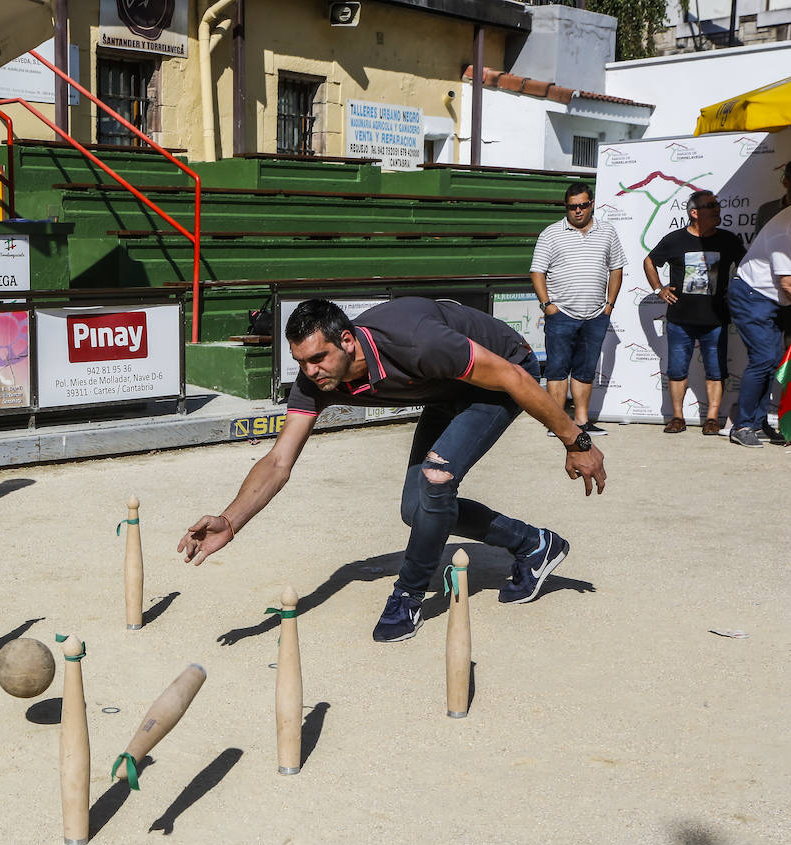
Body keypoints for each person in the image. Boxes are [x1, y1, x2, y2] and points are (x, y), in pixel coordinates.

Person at [177, 297, 607, 644]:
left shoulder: (413, 341)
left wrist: (577, 441)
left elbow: (512, 377)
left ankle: (408, 595)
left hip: (507, 371)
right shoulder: (316, 382)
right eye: (301, 362)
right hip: (447, 387)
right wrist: (230, 521)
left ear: (347, 341)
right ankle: (535, 544)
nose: (310, 372)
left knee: (436, 478)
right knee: (416, 508)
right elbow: (277, 461)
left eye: (318, 358)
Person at [642, 190, 746, 436]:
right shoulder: (675, 240)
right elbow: (649, 260)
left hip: (716, 320)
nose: (717, 209)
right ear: (694, 213)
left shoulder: (728, 240)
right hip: (680, 320)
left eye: (717, 204)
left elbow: (748, 267)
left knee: (716, 371)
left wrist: (736, 291)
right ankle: (677, 417)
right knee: (677, 371)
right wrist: (659, 289)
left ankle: (712, 418)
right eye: (711, 205)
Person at [529, 182, 626, 436]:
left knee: (585, 369)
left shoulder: (608, 231)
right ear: (566, 207)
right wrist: (547, 305)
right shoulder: (550, 233)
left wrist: (609, 305)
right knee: (557, 368)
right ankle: (557, 423)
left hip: (596, 314)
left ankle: (582, 422)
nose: (578, 211)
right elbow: (537, 271)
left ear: (592, 204)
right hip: (561, 313)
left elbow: (616, 268)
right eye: (573, 207)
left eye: (583, 205)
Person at [725, 205, 791, 448]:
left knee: (773, 360)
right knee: (763, 358)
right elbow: (787, 283)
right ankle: (741, 426)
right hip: (752, 295)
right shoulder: (785, 229)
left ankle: (758, 422)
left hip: (769, 299)